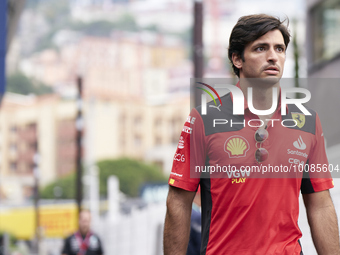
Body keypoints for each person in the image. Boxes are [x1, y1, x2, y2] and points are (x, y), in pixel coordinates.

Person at [163, 14, 340, 255]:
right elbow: (179, 202)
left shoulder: (307, 122)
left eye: (279, 49)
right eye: (261, 48)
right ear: (237, 59)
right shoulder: (203, 119)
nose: (273, 56)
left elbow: (320, 205)